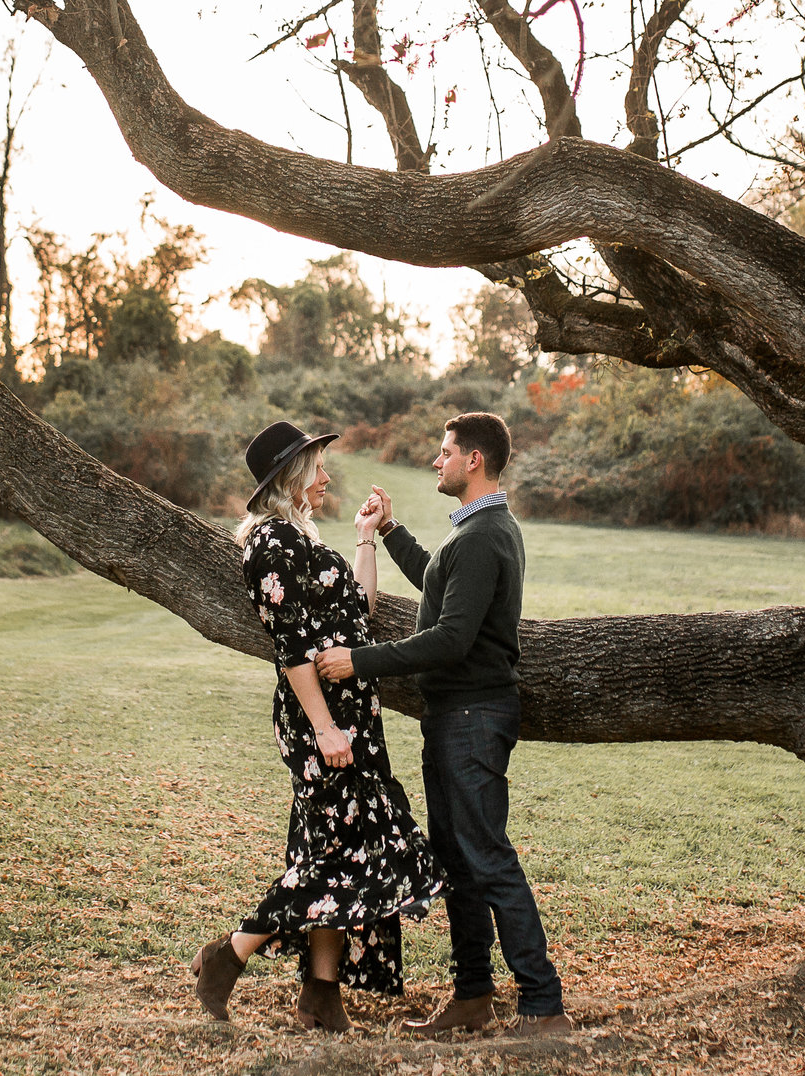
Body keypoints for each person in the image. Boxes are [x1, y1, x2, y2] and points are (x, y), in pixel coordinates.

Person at [314, 411, 572, 1037]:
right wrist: (390, 530)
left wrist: (359, 662)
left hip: (474, 716)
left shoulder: (486, 534)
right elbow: (441, 580)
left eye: (445, 451)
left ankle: (542, 1004)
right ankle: (473, 996)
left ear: (473, 460)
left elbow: (452, 637)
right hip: (454, 716)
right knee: (458, 860)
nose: (436, 460)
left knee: (486, 857)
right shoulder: (477, 532)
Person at [190, 419, 448, 1034]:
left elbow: (359, 612)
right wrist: (327, 729)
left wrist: (365, 538)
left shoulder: (302, 537)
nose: (327, 476)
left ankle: (321, 994)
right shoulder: (268, 545)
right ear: (294, 477)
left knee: (339, 848)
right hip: (322, 719)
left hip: (355, 711)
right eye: (318, 466)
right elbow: (293, 650)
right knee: (338, 855)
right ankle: (228, 955)